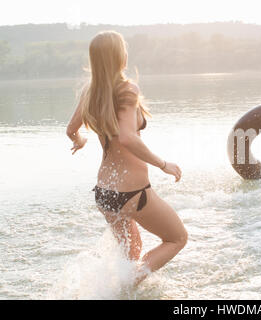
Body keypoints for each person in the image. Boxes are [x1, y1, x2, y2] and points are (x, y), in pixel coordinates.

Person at [66, 31, 188, 285]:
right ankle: (124, 289)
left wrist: (79, 141)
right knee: (177, 238)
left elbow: (71, 129)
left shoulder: (90, 91)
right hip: (132, 191)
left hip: (105, 192)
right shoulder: (127, 89)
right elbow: (128, 138)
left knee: (132, 253)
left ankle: (119, 288)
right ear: (120, 56)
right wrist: (164, 164)